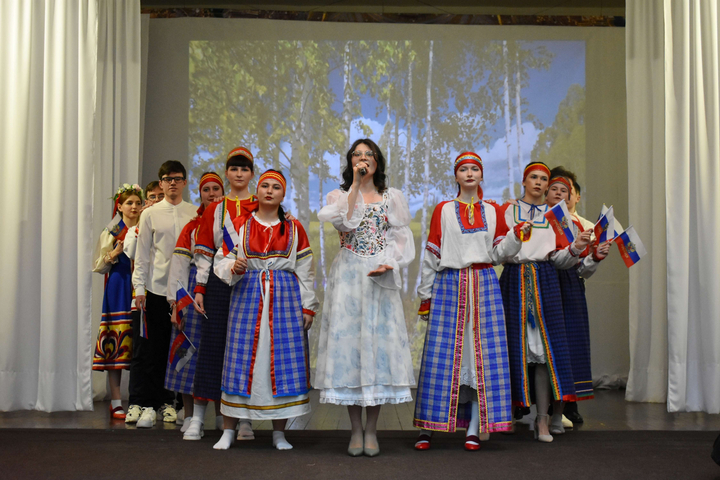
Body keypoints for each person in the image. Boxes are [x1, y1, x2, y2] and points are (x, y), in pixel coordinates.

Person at [413, 153, 531, 451]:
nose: (469, 173)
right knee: (441, 357)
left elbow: (499, 253)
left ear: (481, 175)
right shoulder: (443, 209)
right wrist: (426, 295)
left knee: (482, 359)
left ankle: (474, 429)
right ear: (456, 176)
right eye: (463, 169)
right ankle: (428, 428)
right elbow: (432, 254)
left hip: (484, 286)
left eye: (474, 169)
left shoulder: (492, 211)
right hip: (448, 284)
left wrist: (516, 236)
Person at [315, 138, 415, 457]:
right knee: (350, 351)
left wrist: (391, 263)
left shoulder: (392, 197)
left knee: (377, 351)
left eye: (368, 154)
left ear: (377, 161)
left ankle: (371, 430)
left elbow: (400, 238)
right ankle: (355, 430)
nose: (363, 158)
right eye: (357, 154)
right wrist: (356, 186)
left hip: (378, 277)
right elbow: (345, 223)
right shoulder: (338, 197)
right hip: (348, 277)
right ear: (351, 162)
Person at [212, 170, 318, 451]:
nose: (270, 191)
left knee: (280, 360)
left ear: (283, 194)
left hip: (285, 298)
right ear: (257, 191)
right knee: (240, 359)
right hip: (247, 295)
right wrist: (233, 266)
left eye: (276, 187)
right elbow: (221, 259)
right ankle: (228, 430)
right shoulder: (239, 224)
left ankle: (279, 433)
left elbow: (306, 269)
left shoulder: (294, 228)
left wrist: (308, 306)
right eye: (265, 186)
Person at [497, 162, 592, 443]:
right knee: (511, 349)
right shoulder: (508, 210)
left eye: (543, 179)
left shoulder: (558, 216)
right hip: (514, 279)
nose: (538, 183)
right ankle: (507, 414)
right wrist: (516, 237)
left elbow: (561, 259)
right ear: (524, 181)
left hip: (545, 280)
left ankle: (542, 420)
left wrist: (576, 247)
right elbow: (498, 251)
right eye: (533, 178)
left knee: (542, 354)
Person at [185, 147, 258, 441]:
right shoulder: (215, 210)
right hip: (218, 282)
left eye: (244, 169)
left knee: (246, 349)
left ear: (251, 173)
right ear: (227, 172)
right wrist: (200, 288)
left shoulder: (262, 205)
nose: (239, 174)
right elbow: (204, 252)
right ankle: (198, 418)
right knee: (212, 346)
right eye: (234, 169)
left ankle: (244, 419)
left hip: (250, 283)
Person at [130, 161, 197, 428]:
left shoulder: (194, 212)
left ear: (184, 182)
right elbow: (142, 255)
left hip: (185, 291)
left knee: (181, 350)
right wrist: (139, 288)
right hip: (156, 289)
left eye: (177, 179)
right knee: (153, 350)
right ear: (161, 183)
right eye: (167, 179)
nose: (172, 183)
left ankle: (173, 404)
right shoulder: (150, 214)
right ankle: (149, 405)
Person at [546, 169, 611, 428]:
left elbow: (583, 269)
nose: (561, 193)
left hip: (570, 286)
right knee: (538, 346)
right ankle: (529, 406)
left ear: (575, 195)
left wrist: (595, 257)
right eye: (555, 188)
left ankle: (565, 405)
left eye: (566, 190)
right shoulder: (539, 218)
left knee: (569, 344)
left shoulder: (583, 225)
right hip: (543, 282)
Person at [164, 172, 224, 432]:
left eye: (216, 189)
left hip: (221, 288)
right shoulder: (192, 227)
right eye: (206, 190)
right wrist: (176, 305)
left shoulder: (233, 223)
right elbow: (178, 266)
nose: (211, 194)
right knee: (189, 351)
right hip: (191, 290)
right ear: (200, 194)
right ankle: (189, 416)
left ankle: (223, 416)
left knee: (219, 352)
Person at [92, 183, 143, 420]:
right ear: (119, 206)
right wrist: (114, 253)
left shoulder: (146, 226)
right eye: (129, 203)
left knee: (141, 343)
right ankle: (115, 400)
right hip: (119, 286)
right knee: (116, 341)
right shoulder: (112, 231)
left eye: (137, 203)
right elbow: (98, 266)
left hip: (141, 286)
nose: (134, 207)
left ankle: (140, 399)